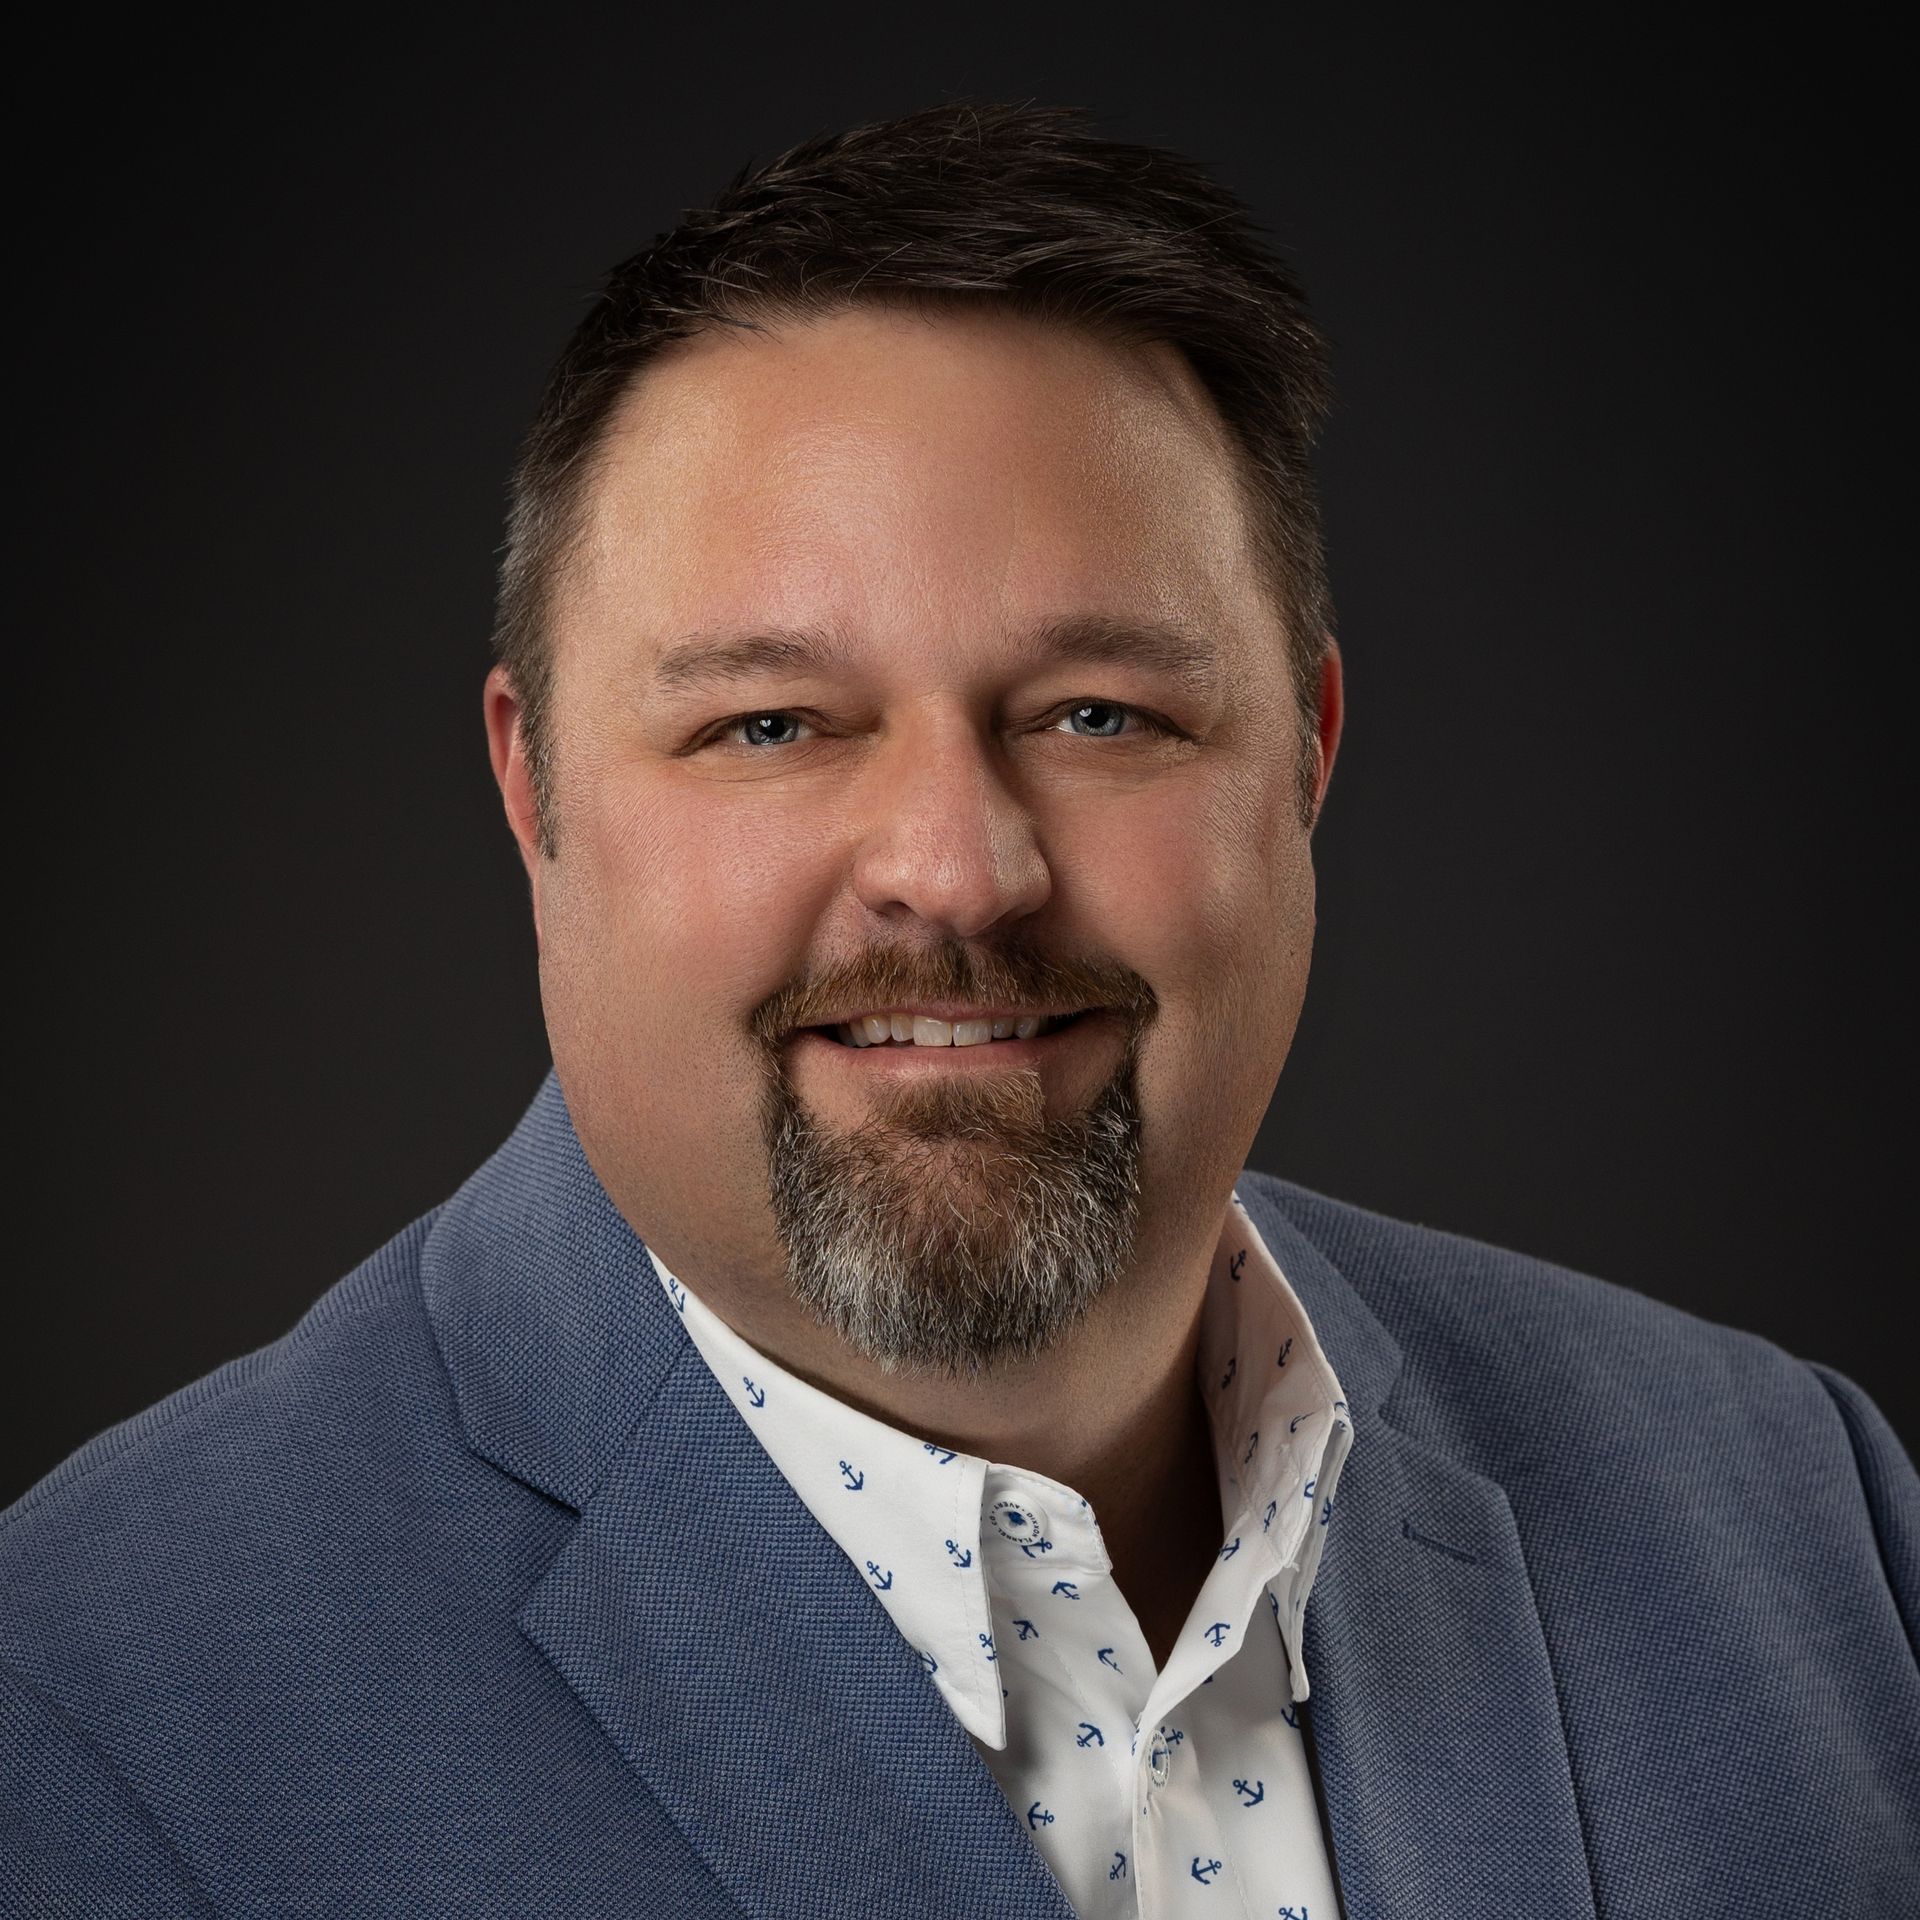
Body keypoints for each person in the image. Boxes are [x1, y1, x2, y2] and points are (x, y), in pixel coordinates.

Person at [3, 98, 1913, 1920]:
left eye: (1101, 713)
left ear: (1306, 755)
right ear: (535, 790)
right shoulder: (88, 1723)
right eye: (769, 724)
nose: (957, 865)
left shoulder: (1802, 1521)